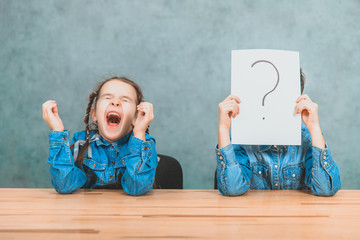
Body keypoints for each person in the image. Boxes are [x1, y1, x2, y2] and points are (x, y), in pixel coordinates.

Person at [216, 70, 341, 196]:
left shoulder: (308, 139)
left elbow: (326, 189)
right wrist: (223, 129)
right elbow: (232, 188)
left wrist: (314, 127)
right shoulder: (240, 140)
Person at [42, 77, 157, 196]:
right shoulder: (81, 143)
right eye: (107, 97)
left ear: (135, 117)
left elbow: (136, 187)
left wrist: (139, 133)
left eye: (125, 100)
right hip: (89, 213)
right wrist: (57, 131)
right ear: (94, 114)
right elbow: (64, 184)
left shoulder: (144, 144)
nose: (115, 102)